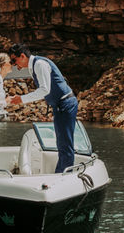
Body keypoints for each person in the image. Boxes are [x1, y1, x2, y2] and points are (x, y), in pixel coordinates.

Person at [6, 43, 79, 173]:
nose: (14, 64)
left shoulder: (39, 64)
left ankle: (65, 175)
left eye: (14, 60)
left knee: (65, 144)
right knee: (61, 142)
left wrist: (21, 99)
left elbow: (45, 90)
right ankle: (61, 173)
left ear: (22, 56)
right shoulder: (33, 66)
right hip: (60, 105)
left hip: (66, 104)